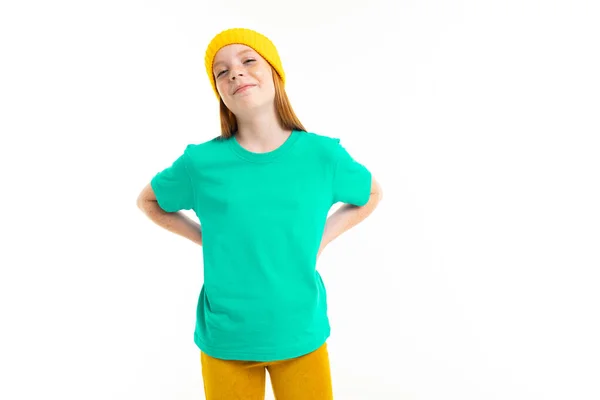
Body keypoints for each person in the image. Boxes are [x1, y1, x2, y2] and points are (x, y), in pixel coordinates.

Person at [136, 27, 383, 400]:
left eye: (248, 60)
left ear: (275, 74)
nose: (235, 72)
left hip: (300, 331)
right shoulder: (200, 164)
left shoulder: (323, 156)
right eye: (221, 71)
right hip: (226, 338)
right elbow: (149, 201)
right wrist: (205, 236)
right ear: (219, 92)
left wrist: (321, 238)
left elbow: (370, 194)